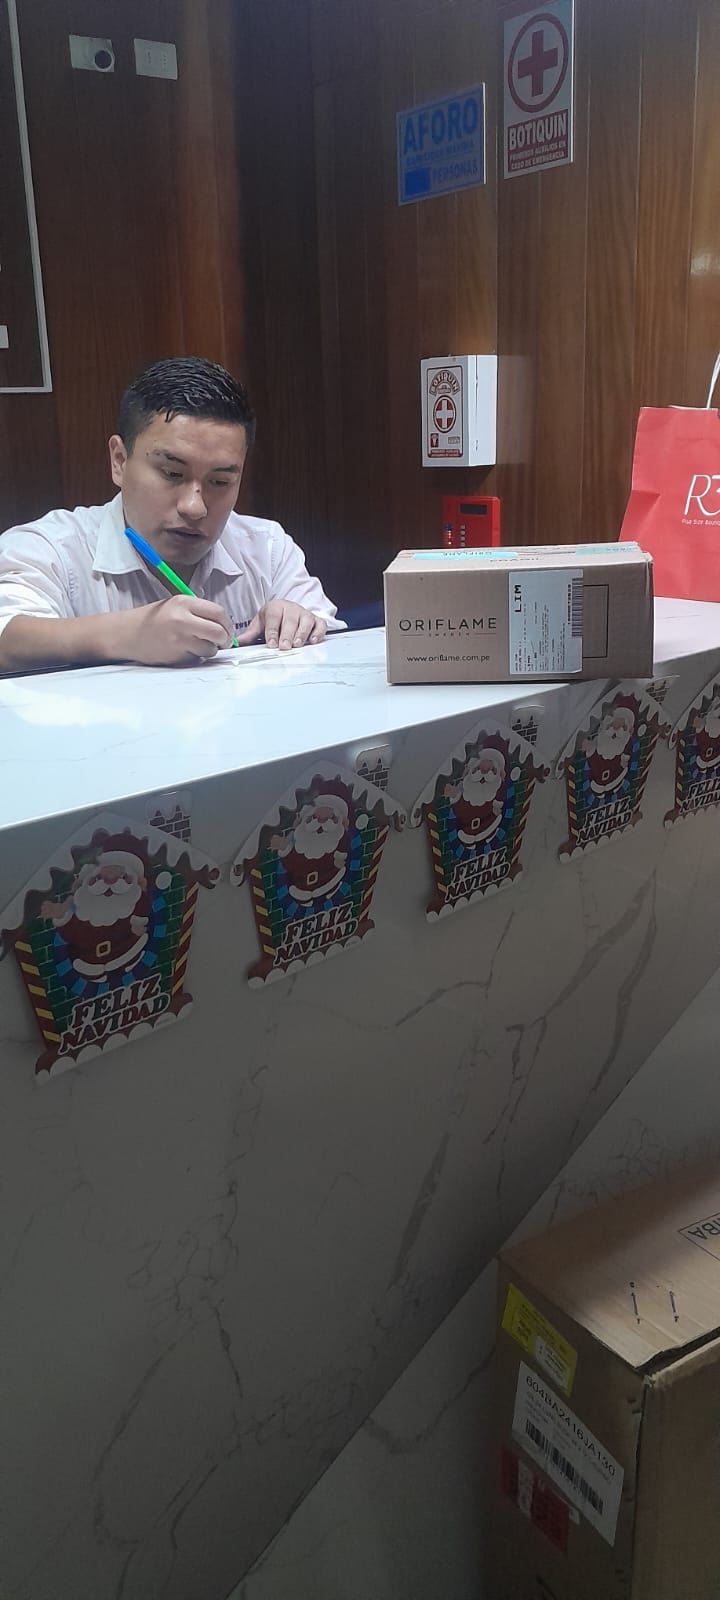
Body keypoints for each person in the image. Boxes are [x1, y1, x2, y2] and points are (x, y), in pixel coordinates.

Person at [0, 356, 342, 673]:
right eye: (172, 473)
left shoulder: (266, 548)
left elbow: (331, 644)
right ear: (119, 461)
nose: (194, 507)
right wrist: (129, 633)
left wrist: (299, 623)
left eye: (220, 481)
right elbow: (6, 636)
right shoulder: (50, 548)